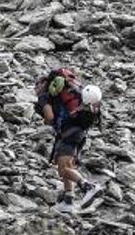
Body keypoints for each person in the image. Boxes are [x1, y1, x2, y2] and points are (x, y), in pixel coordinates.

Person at [34, 70, 103, 212]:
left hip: (69, 132)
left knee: (63, 169)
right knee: (67, 165)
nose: (35, 88)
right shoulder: (66, 92)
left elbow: (50, 118)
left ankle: (88, 187)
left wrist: (47, 119)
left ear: (43, 83)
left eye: (37, 85)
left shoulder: (45, 97)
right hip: (79, 131)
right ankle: (68, 201)